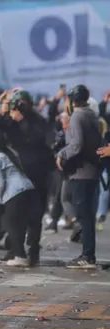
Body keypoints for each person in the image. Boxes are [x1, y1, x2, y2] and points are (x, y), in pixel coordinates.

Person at [57, 85, 102, 269]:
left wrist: (61, 154)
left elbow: (76, 145)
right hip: (93, 171)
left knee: (83, 215)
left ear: (71, 100)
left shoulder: (77, 116)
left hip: (81, 172)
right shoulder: (93, 116)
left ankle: (88, 255)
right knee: (87, 215)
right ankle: (88, 253)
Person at [0, 128, 40, 266]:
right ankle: (18, 254)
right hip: (27, 189)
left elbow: (0, 182)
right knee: (19, 224)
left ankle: (20, 256)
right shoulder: (9, 152)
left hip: (14, 194)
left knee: (12, 225)